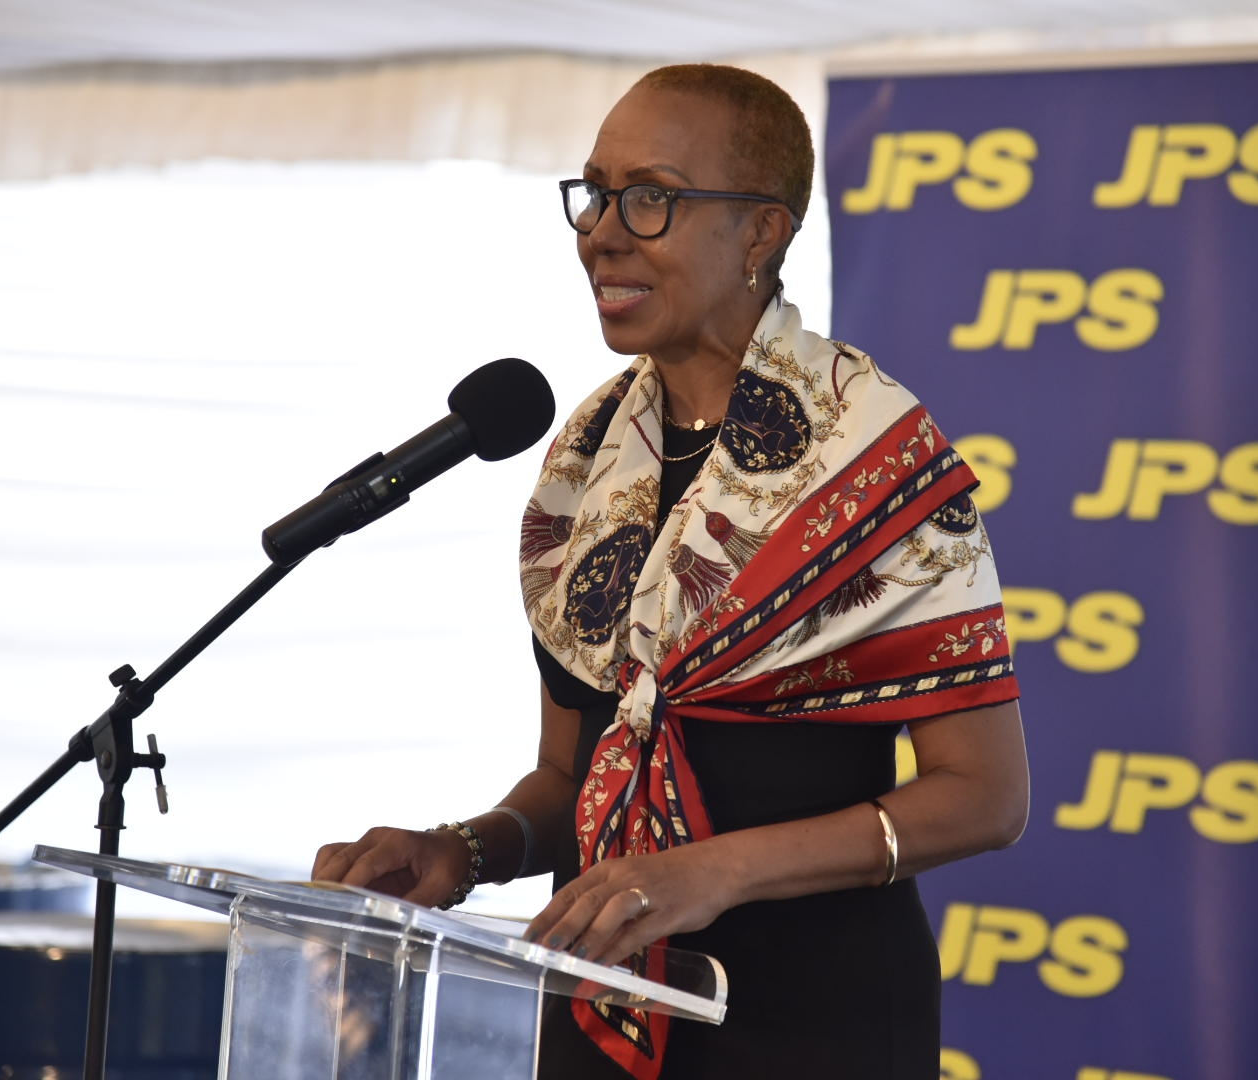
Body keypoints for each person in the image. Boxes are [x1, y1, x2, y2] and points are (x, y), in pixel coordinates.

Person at [312, 63, 1028, 1080]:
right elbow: (575, 775)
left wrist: (714, 872)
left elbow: (985, 798)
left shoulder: (872, 454)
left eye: (650, 197)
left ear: (761, 232)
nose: (602, 230)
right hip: (597, 989)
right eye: (595, 193)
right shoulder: (588, 459)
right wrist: (461, 853)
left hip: (811, 1019)